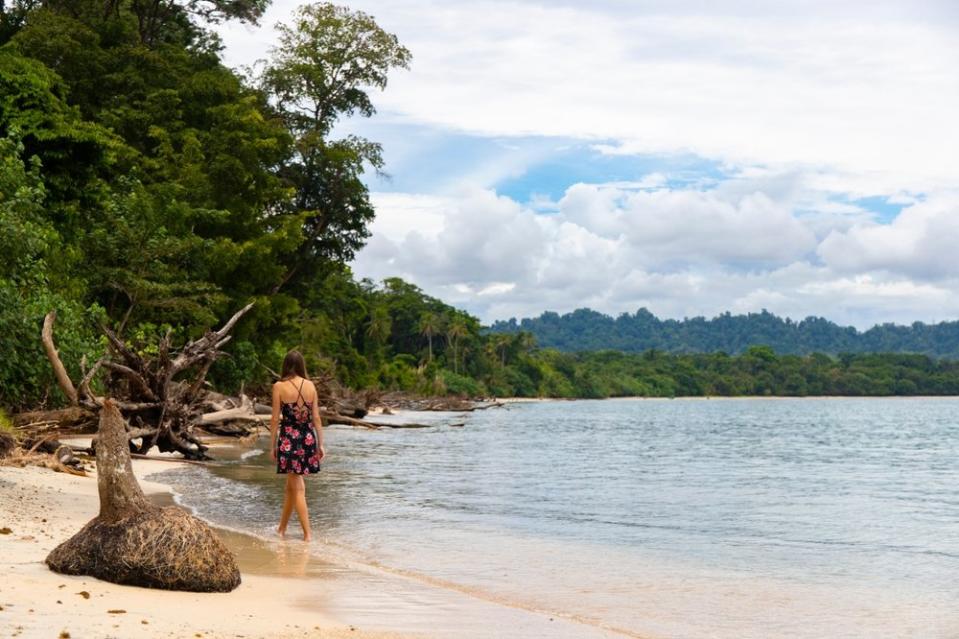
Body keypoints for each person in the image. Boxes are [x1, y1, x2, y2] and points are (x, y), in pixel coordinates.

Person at [270, 350, 325, 541]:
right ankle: (281, 529)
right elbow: (316, 417)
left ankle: (307, 534)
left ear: (285, 365)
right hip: (308, 438)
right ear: (302, 365)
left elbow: (275, 419)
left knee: (298, 487)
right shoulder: (311, 386)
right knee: (290, 487)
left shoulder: (279, 386)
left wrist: (272, 446)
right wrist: (321, 444)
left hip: (288, 440)